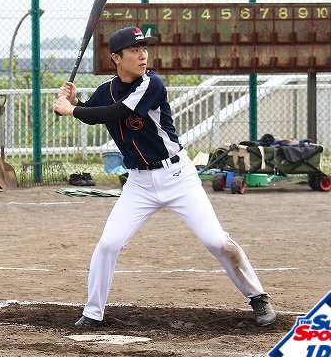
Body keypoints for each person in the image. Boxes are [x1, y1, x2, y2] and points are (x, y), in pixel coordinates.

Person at [53, 26, 276, 328]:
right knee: (108, 244)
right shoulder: (106, 89)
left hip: (177, 176)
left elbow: (115, 114)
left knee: (215, 241)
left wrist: (71, 110)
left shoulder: (152, 83)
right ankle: (93, 313)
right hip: (139, 183)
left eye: (144, 49)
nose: (143, 55)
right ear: (116, 58)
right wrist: (73, 102)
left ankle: (258, 296)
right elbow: (93, 111)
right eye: (134, 50)